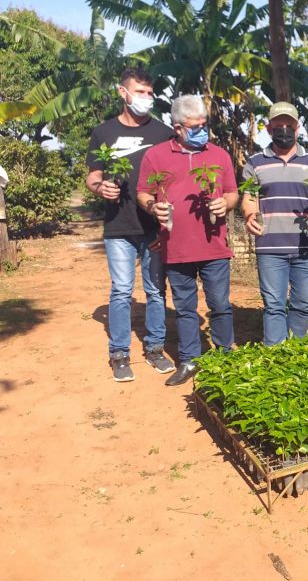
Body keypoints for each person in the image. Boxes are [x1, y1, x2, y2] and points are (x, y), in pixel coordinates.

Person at [136, 95, 239, 385]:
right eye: (195, 126)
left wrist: (226, 203)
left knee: (220, 303)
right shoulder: (155, 156)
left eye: (204, 125)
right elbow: (143, 191)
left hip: (214, 246)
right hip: (176, 247)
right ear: (178, 128)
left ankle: (224, 355)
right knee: (185, 308)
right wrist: (151, 206)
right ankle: (190, 359)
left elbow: (232, 191)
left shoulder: (219, 155)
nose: (202, 130)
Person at [86, 67, 174, 382]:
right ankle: (120, 354)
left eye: (150, 93)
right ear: (123, 93)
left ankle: (155, 349)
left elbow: (173, 179)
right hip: (118, 227)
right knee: (122, 291)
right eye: (140, 92)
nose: (146, 98)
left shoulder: (163, 133)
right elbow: (93, 175)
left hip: (153, 226)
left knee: (155, 290)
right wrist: (100, 188)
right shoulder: (104, 132)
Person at [240, 102, 308, 345]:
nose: (284, 129)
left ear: (297, 127)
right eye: (278, 125)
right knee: (274, 306)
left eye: (289, 124)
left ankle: (296, 355)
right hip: (270, 248)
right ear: (269, 128)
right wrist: (250, 216)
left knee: (303, 304)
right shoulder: (255, 162)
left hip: (305, 247)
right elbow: (249, 197)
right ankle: (275, 357)